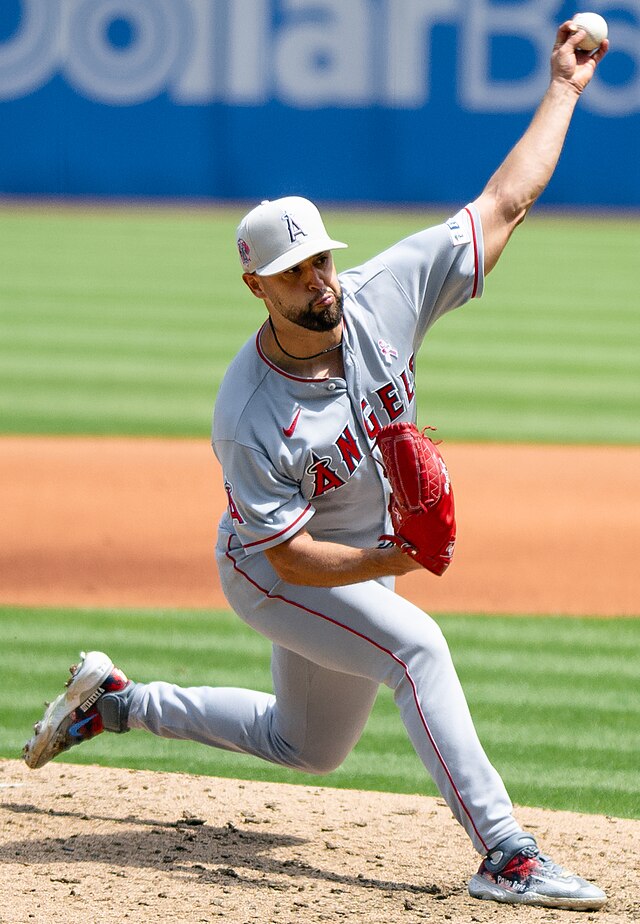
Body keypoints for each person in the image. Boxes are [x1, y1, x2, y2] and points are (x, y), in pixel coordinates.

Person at [23, 21, 608, 910]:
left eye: (323, 260)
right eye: (297, 273)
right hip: (273, 569)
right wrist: (394, 562)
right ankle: (508, 853)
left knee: (309, 746)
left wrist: (564, 88)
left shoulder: (384, 294)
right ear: (258, 286)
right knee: (416, 648)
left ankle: (117, 701)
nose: (321, 282)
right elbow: (291, 558)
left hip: (357, 556)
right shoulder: (249, 410)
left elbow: (504, 204)